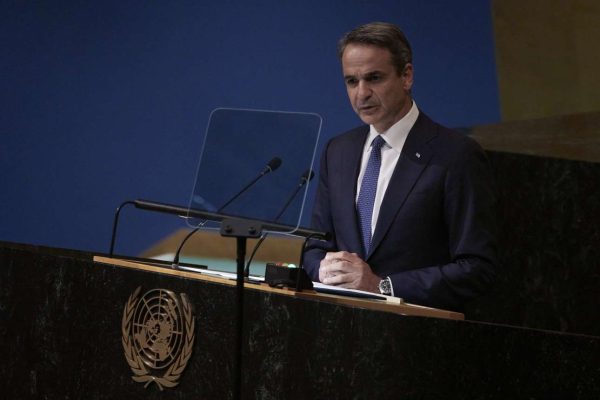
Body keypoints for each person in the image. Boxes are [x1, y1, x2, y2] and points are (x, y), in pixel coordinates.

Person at [303, 22, 499, 312]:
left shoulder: (456, 154)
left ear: (406, 76)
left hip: (417, 329)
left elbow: (476, 267)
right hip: (344, 325)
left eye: (374, 78)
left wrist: (382, 286)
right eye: (352, 81)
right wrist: (324, 268)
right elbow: (315, 247)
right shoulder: (338, 151)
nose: (361, 93)